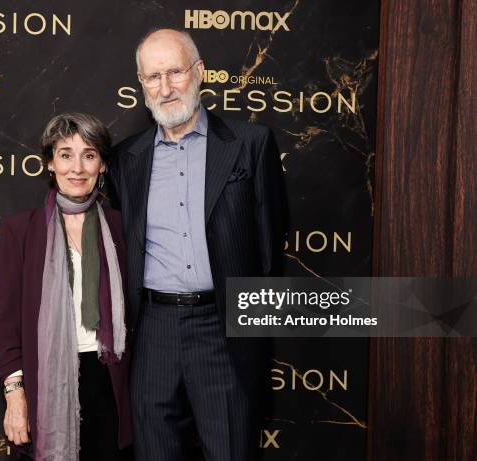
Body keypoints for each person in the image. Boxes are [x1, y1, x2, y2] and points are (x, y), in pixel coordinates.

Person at [108, 29, 287, 461]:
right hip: (152, 331)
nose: (165, 88)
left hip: (222, 328)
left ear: (200, 72)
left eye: (175, 72)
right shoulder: (125, 160)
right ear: (141, 83)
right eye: (153, 77)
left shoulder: (250, 144)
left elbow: (269, 251)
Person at [0, 113, 132, 461]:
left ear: (102, 165)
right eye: (65, 154)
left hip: (112, 380)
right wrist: (15, 395)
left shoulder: (122, 226)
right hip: (48, 380)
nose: (77, 167)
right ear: (50, 163)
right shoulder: (19, 230)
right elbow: (8, 325)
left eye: (89, 155)